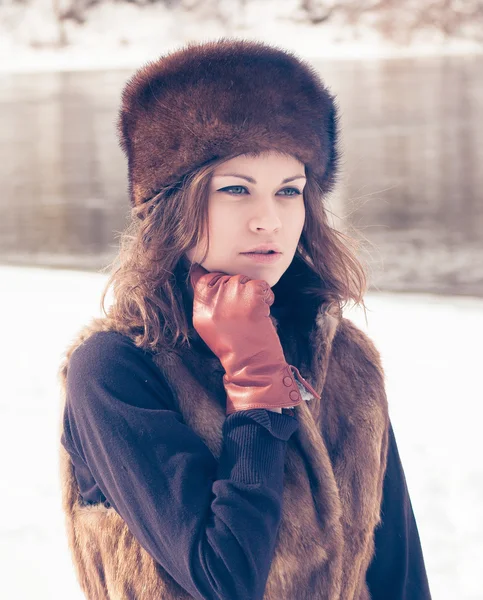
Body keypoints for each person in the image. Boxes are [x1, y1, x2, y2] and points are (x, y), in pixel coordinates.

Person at [58, 38, 432, 599]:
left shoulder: (342, 354)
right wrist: (257, 389)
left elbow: (398, 572)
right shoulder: (114, 369)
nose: (269, 221)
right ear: (171, 205)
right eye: (235, 189)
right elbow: (224, 579)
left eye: (289, 192)